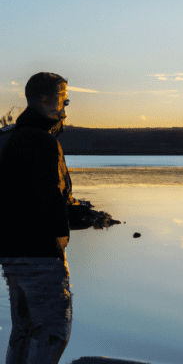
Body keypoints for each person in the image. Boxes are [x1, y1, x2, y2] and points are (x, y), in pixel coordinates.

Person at [0, 72, 74, 364]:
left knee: (23, 331)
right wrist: (77, 219)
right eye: (62, 98)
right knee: (52, 333)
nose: (65, 107)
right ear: (43, 99)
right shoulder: (43, 143)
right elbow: (50, 202)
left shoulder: (5, 140)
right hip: (41, 256)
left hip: (10, 254)